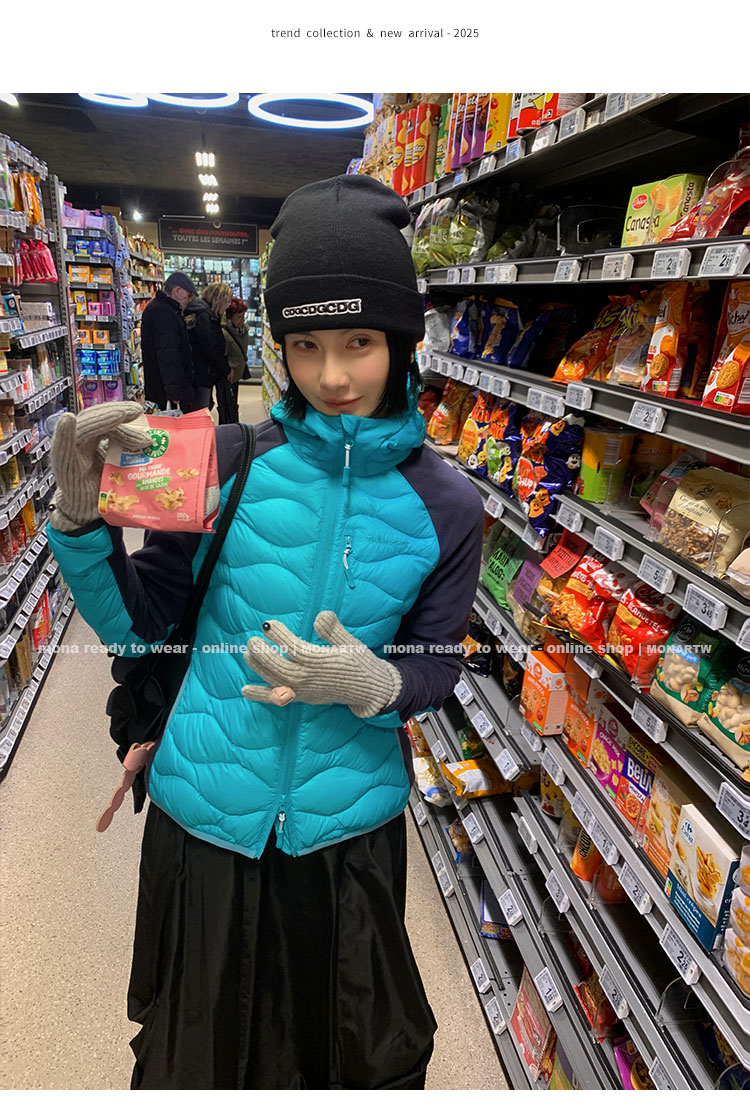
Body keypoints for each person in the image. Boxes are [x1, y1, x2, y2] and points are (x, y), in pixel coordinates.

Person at [46, 174, 484, 1090]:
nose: (332, 376)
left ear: (401, 341)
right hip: (207, 820)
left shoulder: (447, 506)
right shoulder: (227, 459)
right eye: (306, 345)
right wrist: (84, 526)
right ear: (279, 347)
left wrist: (376, 684)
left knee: (338, 1065)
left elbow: (437, 662)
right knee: (198, 1064)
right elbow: (142, 632)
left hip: (345, 840)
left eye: (359, 342)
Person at [141, 271, 197, 412]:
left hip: (161, 389)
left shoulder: (164, 309)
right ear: (177, 290)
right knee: (171, 423)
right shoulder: (163, 313)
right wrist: (175, 392)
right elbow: (168, 355)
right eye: (189, 295)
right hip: (165, 394)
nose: (190, 300)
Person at [184, 281, 235, 421]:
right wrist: (225, 368)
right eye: (227, 302)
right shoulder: (204, 317)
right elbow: (210, 348)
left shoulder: (204, 313)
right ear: (219, 300)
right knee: (200, 413)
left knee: (203, 408)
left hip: (201, 373)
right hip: (201, 375)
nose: (227, 306)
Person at [221, 295, 251, 414]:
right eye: (239, 317)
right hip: (228, 374)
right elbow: (222, 354)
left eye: (243, 317)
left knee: (233, 404)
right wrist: (227, 368)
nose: (242, 320)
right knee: (227, 406)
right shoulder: (224, 332)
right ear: (229, 317)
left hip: (237, 373)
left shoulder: (243, 330)